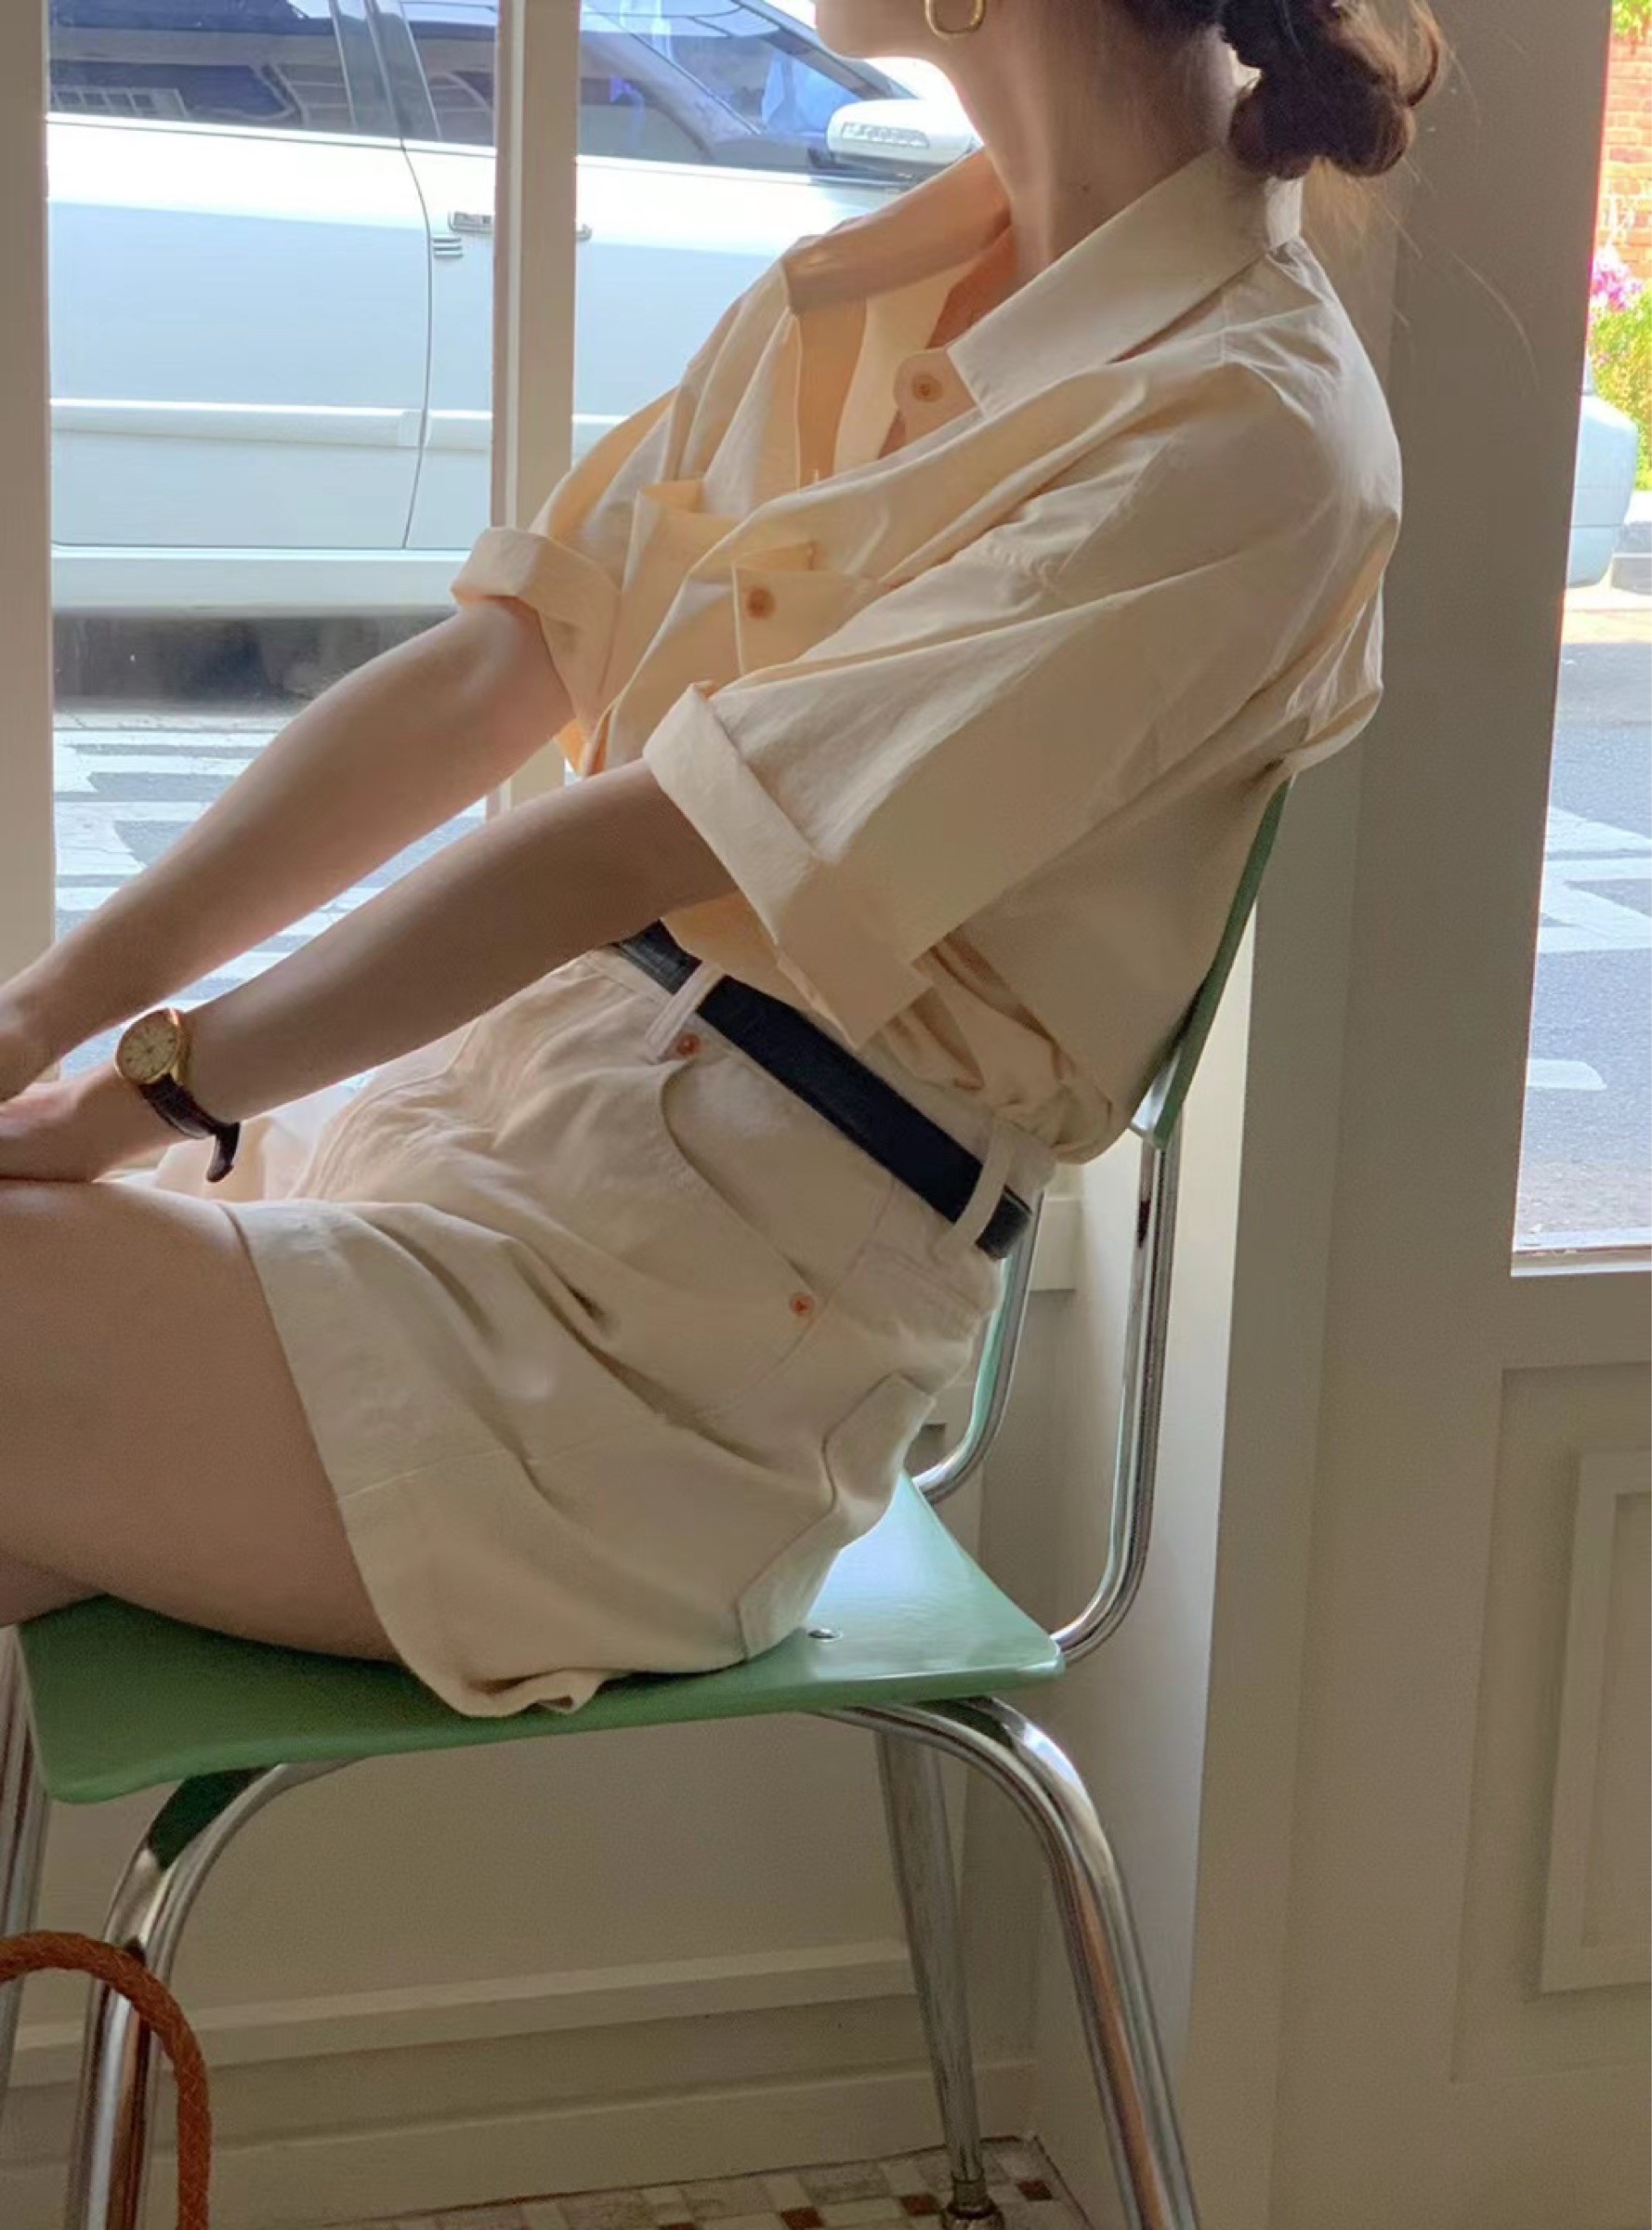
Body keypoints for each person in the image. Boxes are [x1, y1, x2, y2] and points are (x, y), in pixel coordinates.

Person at [0, 0, 1440, 1715]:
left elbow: (637, 842)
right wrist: (47, 1015)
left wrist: (151, 1090)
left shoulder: (1249, 433)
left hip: (679, 1352)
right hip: (470, 1140)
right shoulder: (874, 286)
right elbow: (491, 675)